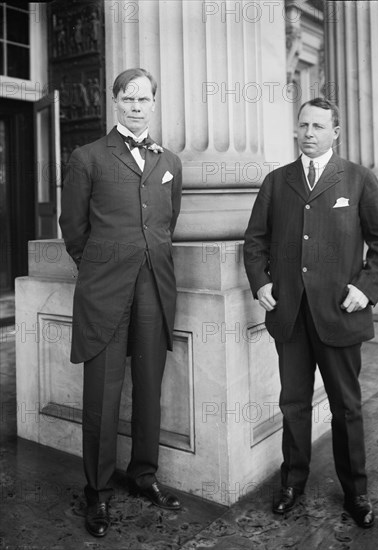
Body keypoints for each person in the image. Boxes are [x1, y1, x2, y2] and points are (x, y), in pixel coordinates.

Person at [243, 98, 378, 528]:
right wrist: (261, 282)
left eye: (318, 126)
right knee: (293, 404)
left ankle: (356, 493)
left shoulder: (359, 179)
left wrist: (366, 291)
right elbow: (255, 241)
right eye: (303, 124)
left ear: (335, 131)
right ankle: (293, 483)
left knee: (346, 407)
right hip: (289, 314)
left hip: (340, 313)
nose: (308, 132)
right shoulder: (276, 181)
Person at [59, 68, 183, 538]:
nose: (136, 105)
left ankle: (144, 474)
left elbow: (169, 221)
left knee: (149, 386)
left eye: (144, 98)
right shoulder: (87, 157)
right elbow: (73, 228)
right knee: (103, 394)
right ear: (115, 102)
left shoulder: (169, 159)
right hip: (105, 290)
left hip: (154, 285)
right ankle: (97, 491)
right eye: (127, 98)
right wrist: (98, 269)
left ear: (154, 103)